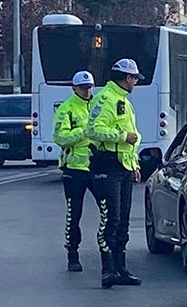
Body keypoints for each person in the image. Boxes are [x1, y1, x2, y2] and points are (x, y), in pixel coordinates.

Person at [85, 59, 145, 288]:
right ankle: (107, 269)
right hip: (107, 165)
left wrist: (135, 164)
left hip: (124, 166)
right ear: (127, 78)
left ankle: (121, 268)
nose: (136, 83)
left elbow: (133, 137)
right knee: (111, 218)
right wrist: (122, 137)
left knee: (123, 221)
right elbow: (94, 129)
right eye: (135, 78)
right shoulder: (106, 98)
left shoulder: (123, 100)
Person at [54, 71, 98, 272]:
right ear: (74, 88)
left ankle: (109, 256)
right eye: (83, 87)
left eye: (89, 87)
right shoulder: (66, 109)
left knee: (108, 212)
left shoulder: (98, 105)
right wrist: (84, 131)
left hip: (97, 167)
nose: (87, 91)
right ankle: (72, 254)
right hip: (74, 169)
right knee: (74, 214)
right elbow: (59, 137)